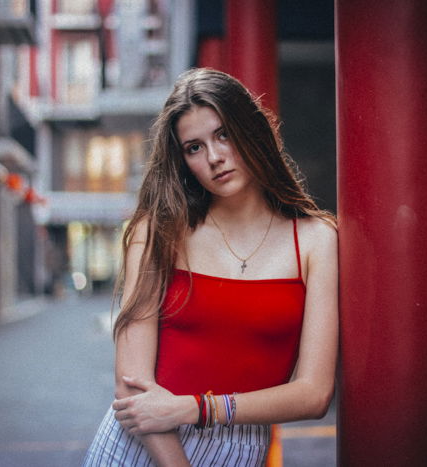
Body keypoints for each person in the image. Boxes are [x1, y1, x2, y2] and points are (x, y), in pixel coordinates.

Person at [83, 68, 338, 467]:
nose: (215, 157)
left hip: (236, 448)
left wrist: (197, 409)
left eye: (223, 134)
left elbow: (315, 393)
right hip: (144, 444)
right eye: (194, 148)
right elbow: (131, 386)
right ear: (182, 161)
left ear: (250, 129)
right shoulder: (159, 231)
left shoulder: (315, 239)